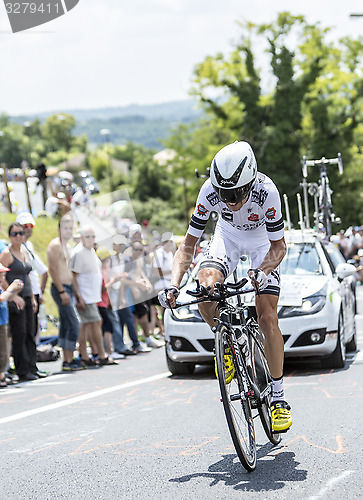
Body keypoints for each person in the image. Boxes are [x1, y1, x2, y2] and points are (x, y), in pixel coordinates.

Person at [159, 141, 292, 432]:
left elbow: (279, 246)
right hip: (227, 236)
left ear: (251, 181)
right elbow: (188, 246)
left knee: (267, 315)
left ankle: (279, 398)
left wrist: (261, 271)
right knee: (205, 290)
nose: (230, 201)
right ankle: (228, 345)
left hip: (262, 244)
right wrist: (173, 285)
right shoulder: (208, 190)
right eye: (224, 195)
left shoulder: (266, 191)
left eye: (236, 194)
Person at [70, 226, 116, 366]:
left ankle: (85, 354)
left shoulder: (90, 251)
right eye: (87, 236)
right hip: (85, 295)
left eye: (92, 236)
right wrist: (79, 296)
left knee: (87, 325)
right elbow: (73, 276)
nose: (90, 239)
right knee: (95, 322)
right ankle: (101, 354)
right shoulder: (79, 252)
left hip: (93, 295)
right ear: (82, 237)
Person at [0, 223, 40, 381]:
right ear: (10, 236)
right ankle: (22, 369)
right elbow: (1, 278)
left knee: (31, 331)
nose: (18, 236)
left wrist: (32, 296)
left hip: (27, 297)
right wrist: (14, 296)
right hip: (15, 299)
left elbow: (26, 276)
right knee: (20, 333)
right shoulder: (6, 253)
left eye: (21, 233)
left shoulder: (24, 251)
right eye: (15, 233)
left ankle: (31, 366)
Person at [47, 215, 84, 372]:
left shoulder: (67, 246)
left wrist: (76, 293)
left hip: (69, 288)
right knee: (75, 323)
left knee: (66, 323)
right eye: (65, 228)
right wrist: (62, 291)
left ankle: (67, 359)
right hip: (60, 288)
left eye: (70, 228)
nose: (68, 231)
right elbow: (53, 269)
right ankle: (68, 358)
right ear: (59, 229)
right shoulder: (55, 245)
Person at [16, 212, 48, 343]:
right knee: (26, 329)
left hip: (34, 293)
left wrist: (40, 292)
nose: (28, 228)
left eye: (31, 225)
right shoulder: (15, 248)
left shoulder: (29, 246)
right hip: (25, 294)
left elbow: (43, 270)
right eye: (25, 225)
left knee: (34, 328)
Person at [0, 265, 24, 388]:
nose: (2, 277)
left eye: (3, 275)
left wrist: (15, 290)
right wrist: (11, 288)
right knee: (2, 351)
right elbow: (1, 298)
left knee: (5, 349)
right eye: (0, 274)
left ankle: (2, 374)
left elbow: (6, 296)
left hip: (3, 321)